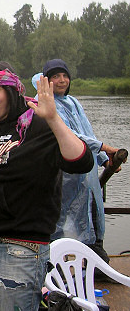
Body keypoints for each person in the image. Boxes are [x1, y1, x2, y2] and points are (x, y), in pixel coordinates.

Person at [0, 66, 94, 311]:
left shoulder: (37, 122)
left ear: (12, 92)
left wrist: (53, 119)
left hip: (21, 250)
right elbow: (8, 171)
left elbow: (82, 161)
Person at [32, 59, 120, 263]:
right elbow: (67, 133)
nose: (62, 80)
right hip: (62, 173)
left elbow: (86, 131)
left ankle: (95, 263)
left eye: (65, 76)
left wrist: (103, 159)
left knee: (92, 215)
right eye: (55, 77)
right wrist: (102, 147)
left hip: (84, 174)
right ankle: (55, 267)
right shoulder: (44, 101)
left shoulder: (72, 102)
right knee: (61, 221)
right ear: (47, 81)